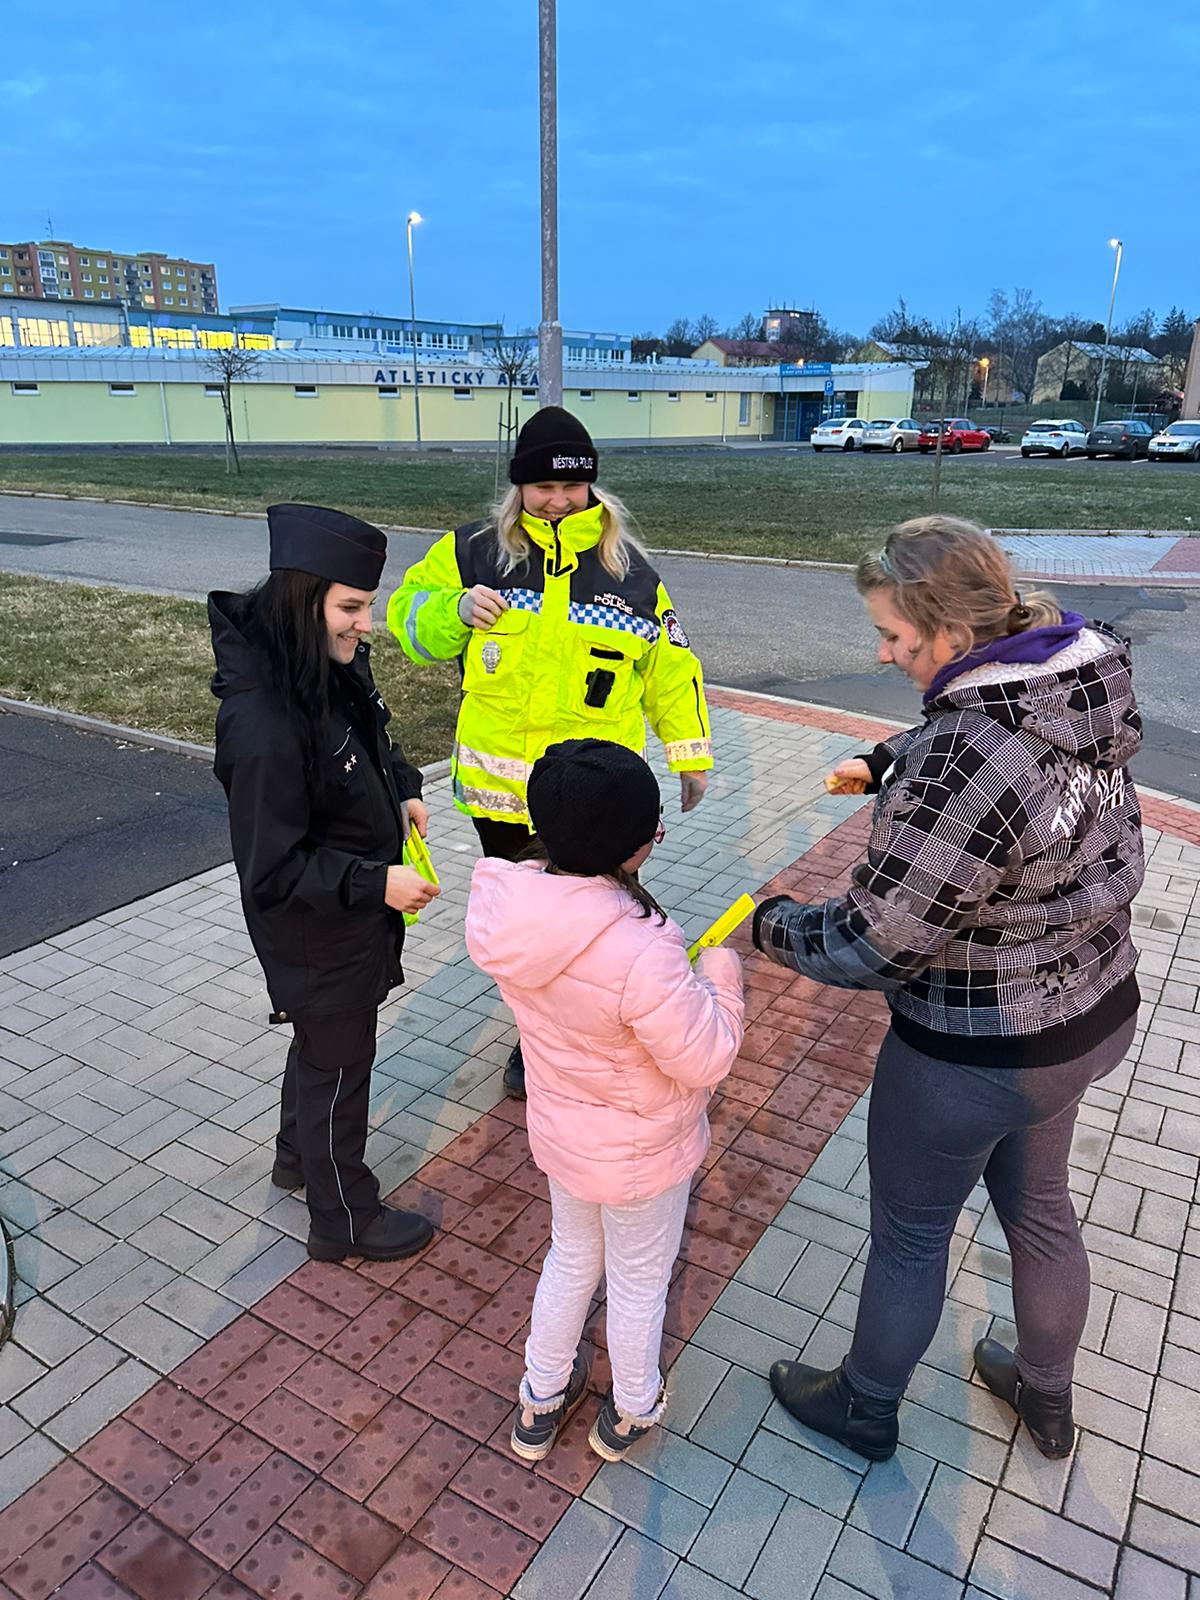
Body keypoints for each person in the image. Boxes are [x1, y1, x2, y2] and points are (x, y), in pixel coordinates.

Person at [753, 515, 1145, 1463]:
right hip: (1088, 1018)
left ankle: (865, 1403)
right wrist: (891, 761)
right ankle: (1048, 1400)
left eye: (894, 636)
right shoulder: (1069, 680)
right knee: (1041, 1208)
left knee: (913, 1232)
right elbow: (998, 743)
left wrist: (774, 924)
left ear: (954, 637)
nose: (883, 653)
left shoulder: (967, 755)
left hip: (977, 1049)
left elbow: (874, 940)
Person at [389, 406, 714, 1099]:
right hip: (500, 795)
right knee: (528, 927)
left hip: (590, 796)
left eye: (573, 487)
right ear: (519, 488)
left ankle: (568, 1033)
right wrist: (452, 612)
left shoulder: (629, 571)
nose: (560, 500)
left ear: (592, 487)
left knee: (587, 919)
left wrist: (690, 755)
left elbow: (670, 667)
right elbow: (407, 619)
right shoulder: (474, 550)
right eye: (544, 488)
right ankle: (535, 1036)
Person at [465, 739, 744, 1462]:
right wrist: (720, 974)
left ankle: (539, 1399)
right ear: (638, 847)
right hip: (641, 1155)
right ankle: (631, 1407)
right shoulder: (642, 949)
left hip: (563, 1135)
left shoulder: (513, 912)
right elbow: (708, 1054)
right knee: (638, 1282)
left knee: (570, 1258)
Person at [209, 503, 439, 1264]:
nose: (366, 624)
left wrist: (402, 783)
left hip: (345, 918)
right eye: (351, 606)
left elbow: (375, 734)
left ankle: (294, 1159)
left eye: (366, 605)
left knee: (320, 1047)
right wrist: (375, 884)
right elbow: (271, 866)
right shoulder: (264, 722)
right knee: (340, 1065)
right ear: (305, 601)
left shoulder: (327, 663)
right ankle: (343, 1218)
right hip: (318, 929)